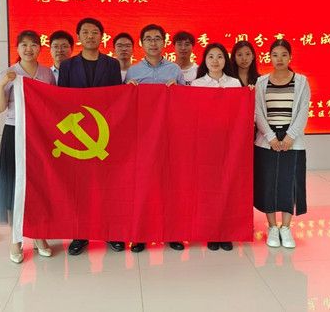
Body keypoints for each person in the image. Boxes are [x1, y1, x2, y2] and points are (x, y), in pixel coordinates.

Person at [57, 17, 125, 255]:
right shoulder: (67, 66)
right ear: (78, 37)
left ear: (101, 36)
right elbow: (61, 100)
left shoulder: (112, 64)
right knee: (79, 188)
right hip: (78, 135)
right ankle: (80, 234)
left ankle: (111, 232)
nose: (90, 36)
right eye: (85, 32)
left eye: (95, 32)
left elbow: (117, 98)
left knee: (108, 185)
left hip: (105, 132)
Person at [0, 30, 55, 263]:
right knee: (15, 186)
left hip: (40, 135)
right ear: (17, 49)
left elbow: (53, 103)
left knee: (39, 186)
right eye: (24, 45)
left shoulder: (47, 73)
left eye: (34, 45)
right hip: (15, 132)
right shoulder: (10, 73)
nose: (29, 49)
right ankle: (16, 240)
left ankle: (39, 236)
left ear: (40, 47)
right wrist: (2, 85)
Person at [126, 23, 185, 253]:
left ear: (164, 42)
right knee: (142, 187)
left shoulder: (174, 70)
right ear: (141, 43)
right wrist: (129, 91)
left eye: (157, 38)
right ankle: (140, 235)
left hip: (170, 136)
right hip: (141, 138)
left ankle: (173, 233)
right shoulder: (133, 72)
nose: (153, 43)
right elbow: (125, 107)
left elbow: (187, 103)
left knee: (170, 186)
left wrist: (178, 90)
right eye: (148, 39)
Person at [254, 39, 310, 249]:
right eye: (275, 55)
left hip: (292, 140)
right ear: (270, 57)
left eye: (284, 55)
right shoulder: (261, 82)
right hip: (266, 140)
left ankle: (286, 228)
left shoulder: (301, 82)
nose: (279, 59)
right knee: (268, 183)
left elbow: (303, 111)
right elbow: (257, 111)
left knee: (289, 183)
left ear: (290, 57)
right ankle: (272, 227)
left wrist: (290, 137)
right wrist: (270, 136)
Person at [192, 43, 242, 252]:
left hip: (229, 143)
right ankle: (211, 232)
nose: (215, 61)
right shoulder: (196, 84)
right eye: (210, 56)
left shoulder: (235, 83)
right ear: (204, 60)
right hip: (205, 145)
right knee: (207, 190)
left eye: (219, 56)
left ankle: (226, 232)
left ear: (225, 60)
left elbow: (240, 112)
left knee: (228, 187)